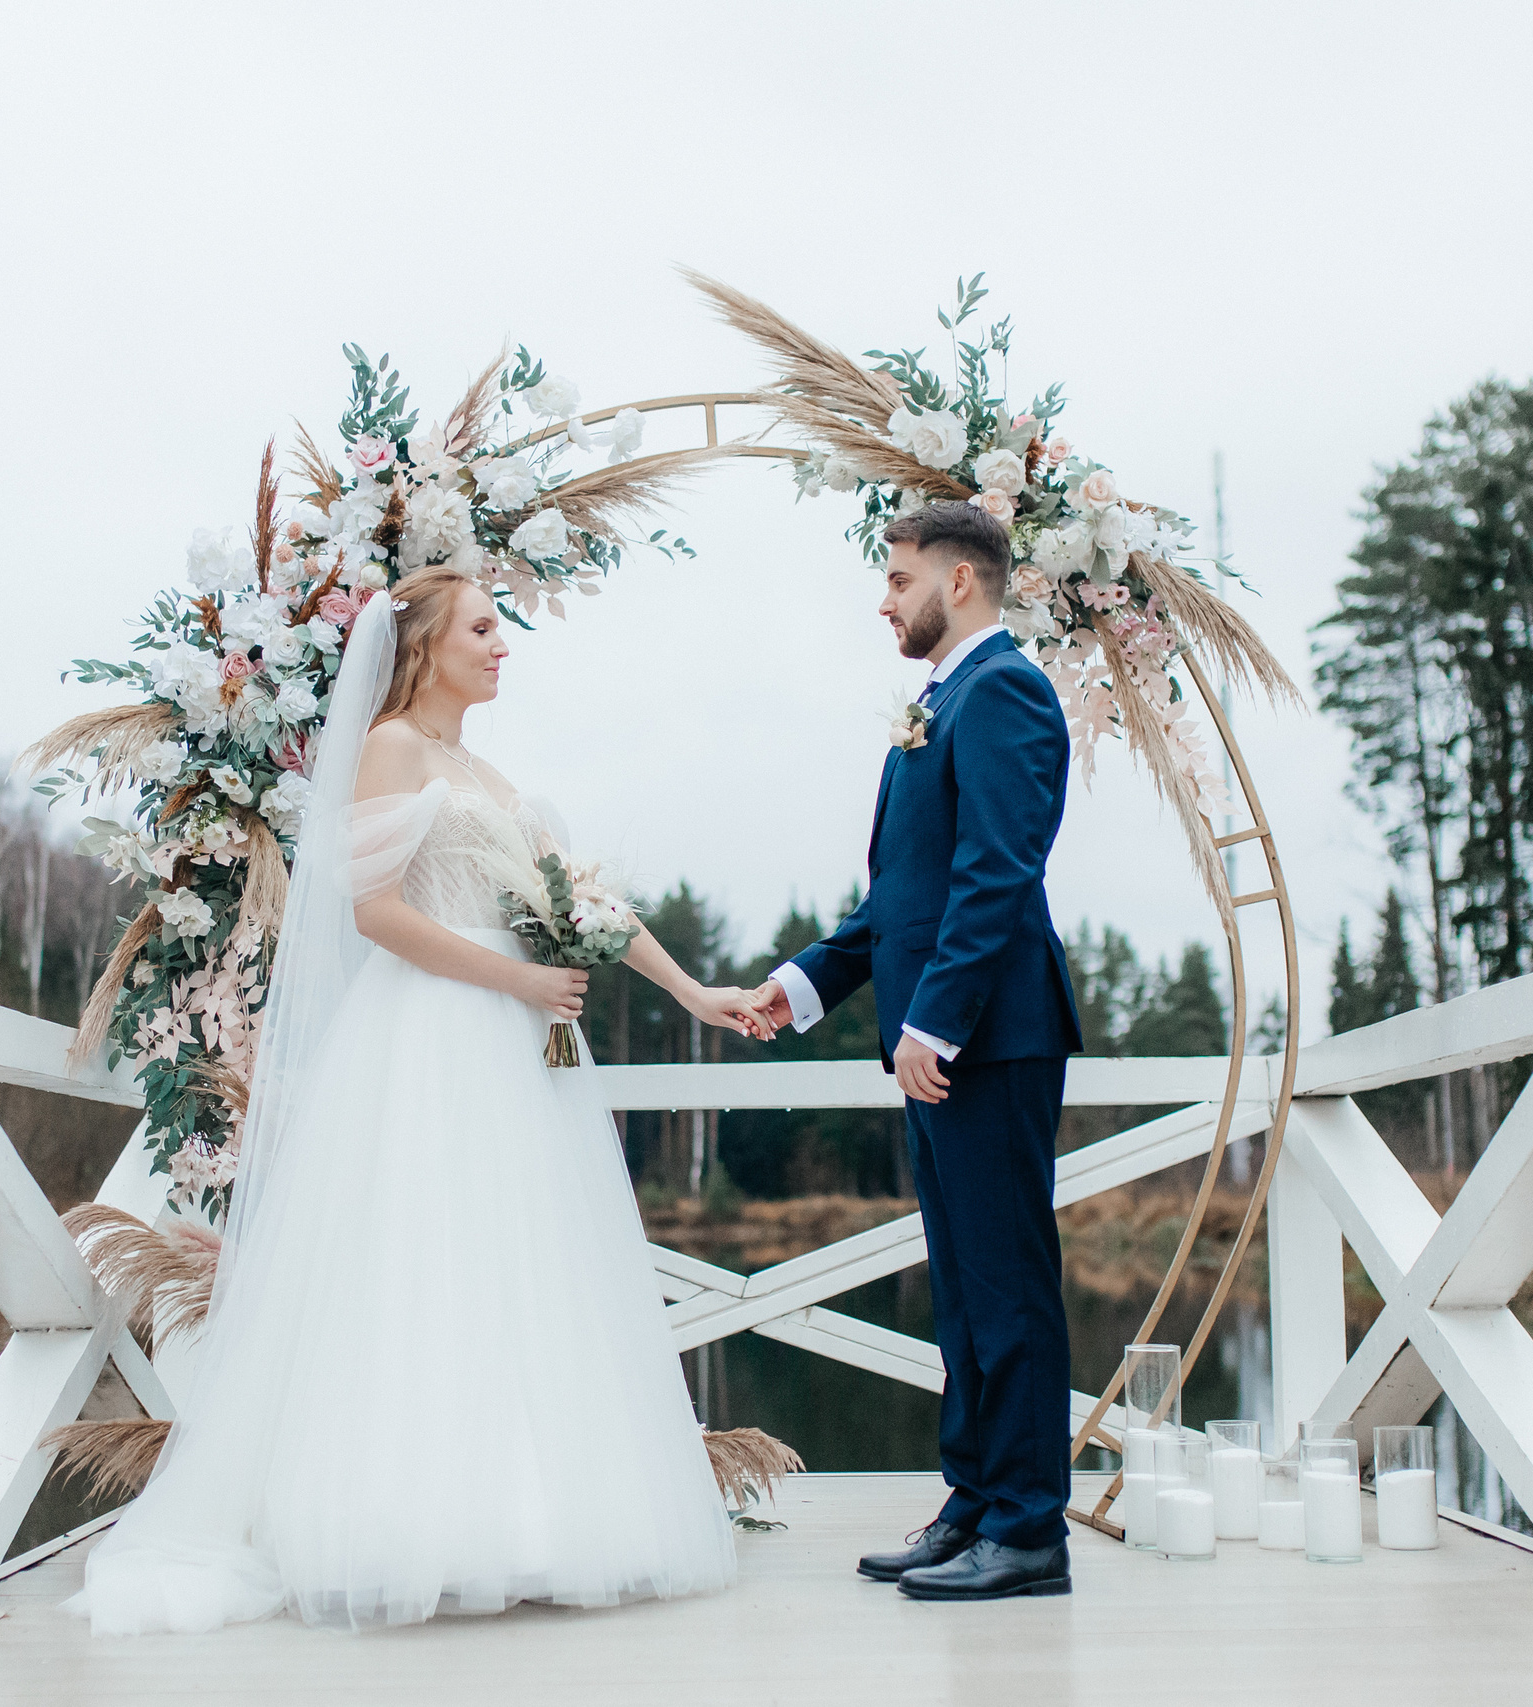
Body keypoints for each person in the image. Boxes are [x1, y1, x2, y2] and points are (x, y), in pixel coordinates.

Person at [67, 566, 766, 1635]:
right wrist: (520, 981)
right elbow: (376, 916)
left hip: (521, 1050)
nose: (501, 644)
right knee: (422, 1264)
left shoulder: (484, 771)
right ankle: (404, 1523)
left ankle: (531, 1517)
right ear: (426, 644)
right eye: (483, 628)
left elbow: (587, 903)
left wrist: (692, 991)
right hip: (435, 1033)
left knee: (523, 1268)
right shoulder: (391, 746)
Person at [755, 500, 1085, 1601]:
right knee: (962, 1292)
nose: (883, 598)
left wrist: (928, 1024)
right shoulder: (940, 704)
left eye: (897, 578)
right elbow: (900, 899)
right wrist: (803, 984)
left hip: (984, 1040)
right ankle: (976, 1504)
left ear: (960, 582)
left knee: (1008, 1290)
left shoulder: (1008, 693)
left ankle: (1031, 1529)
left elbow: (998, 873)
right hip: (943, 1044)